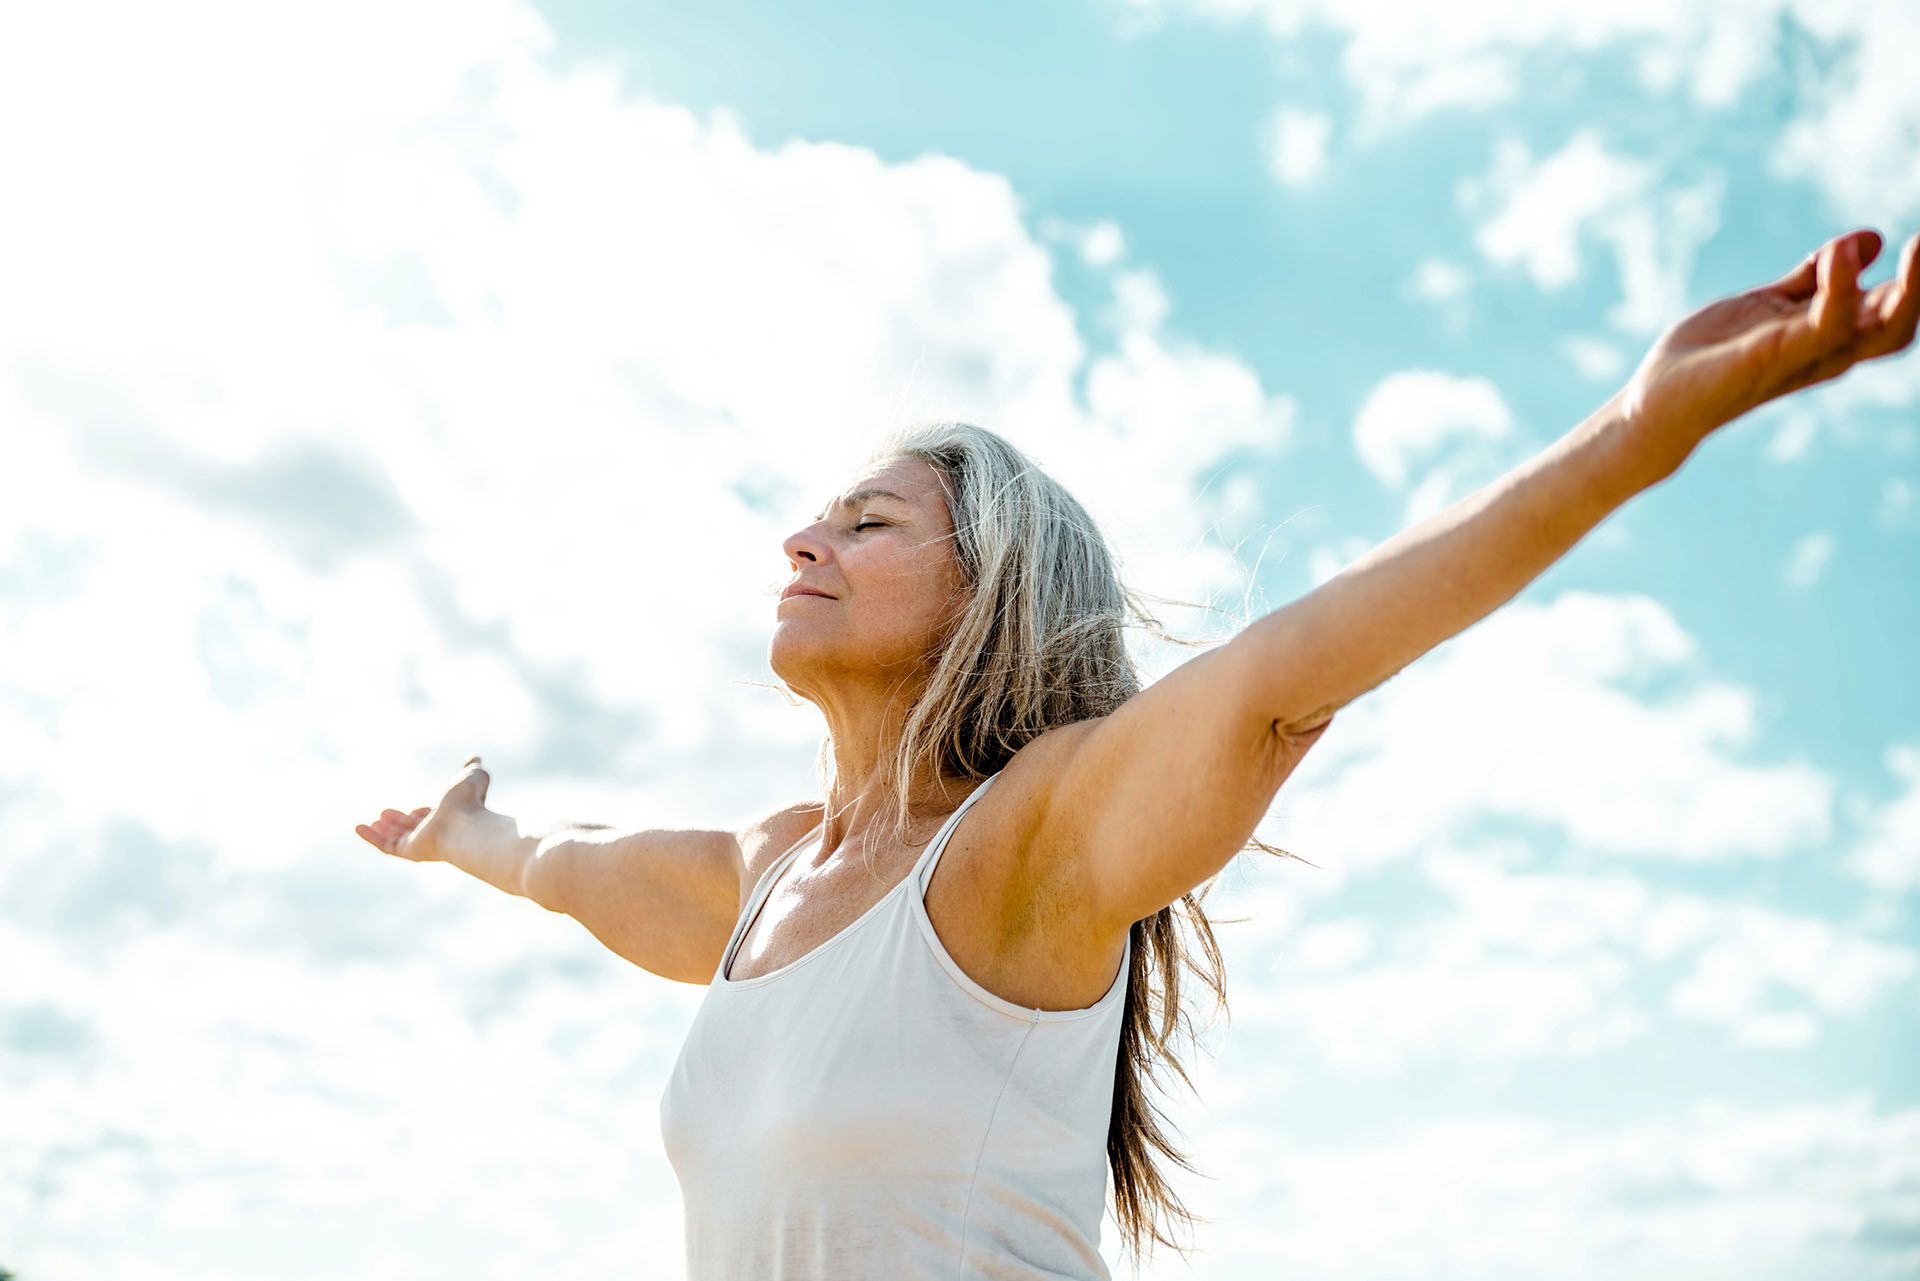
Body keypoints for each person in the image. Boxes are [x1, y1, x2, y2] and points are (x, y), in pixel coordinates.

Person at [356, 227, 1918, 1279]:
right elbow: (565, 868)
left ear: (991, 594)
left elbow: (1289, 670)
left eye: (870, 520)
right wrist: (465, 836)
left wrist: (1642, 426)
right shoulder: (765, 876)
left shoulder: (1027, 852)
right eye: (820, 512)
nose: (805, 536)